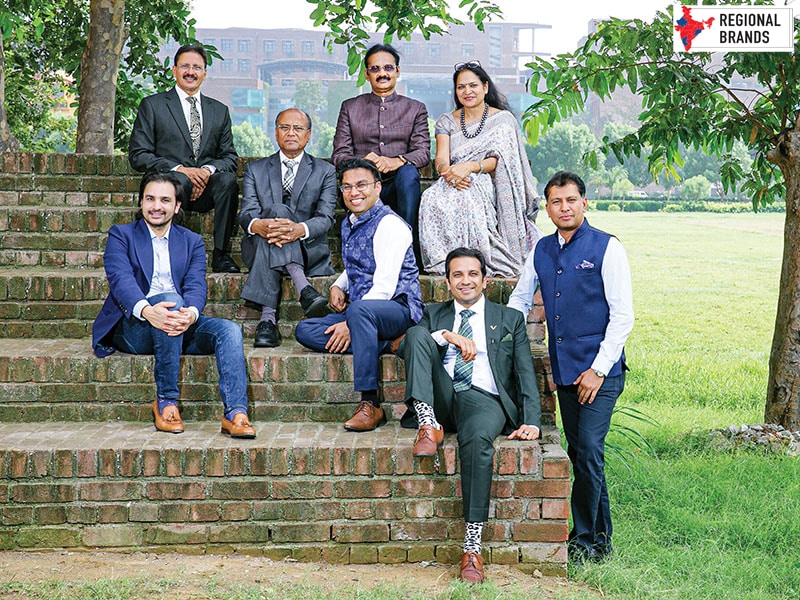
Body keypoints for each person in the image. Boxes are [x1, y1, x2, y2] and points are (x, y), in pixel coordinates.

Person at [507, 171, 634, 564]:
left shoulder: (606, 247)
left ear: (584, 203)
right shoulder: (541, 249)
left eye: (571, 200)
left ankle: (583, 541)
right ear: (547, 208)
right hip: (565, 373)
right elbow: (520, 297)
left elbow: (623, 317)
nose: (564, 207)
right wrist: (497, 333)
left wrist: (597, 369)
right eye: (555, 202)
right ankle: (602, 538)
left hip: (601, 373)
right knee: (582, 453)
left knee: (590, 450)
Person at [397, 247, 541, 584]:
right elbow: (406, 348)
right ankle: (427, 423)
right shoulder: (433, 314)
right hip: (442, 398)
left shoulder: (509, 319)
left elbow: (524, 374)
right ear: (447, 282)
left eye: (472, 274)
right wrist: (447, 336)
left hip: (484, 400)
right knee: (416, 334)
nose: (465, 281)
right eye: (457, 275)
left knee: (477, 441)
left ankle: (472, 545)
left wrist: (531, 420)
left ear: (485, 280)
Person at [91, 172, 256, 439]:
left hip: (176, 321)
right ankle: (166, 401)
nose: (157, 206)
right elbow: (121, 281)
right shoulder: (121, 235)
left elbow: (195, 285)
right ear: (141, 203)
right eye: (150, 199)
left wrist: (190, 315)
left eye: (165, 200)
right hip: (135, 326)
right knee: (170, 302)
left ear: (177, 206)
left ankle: (235, 414)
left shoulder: (191, 241)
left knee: (229, 330)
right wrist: (147, 311)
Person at [295, 158, 424, 432]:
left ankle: (371, 402)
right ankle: (389, 343)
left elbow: (386, 286)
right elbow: (358, 263)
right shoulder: (350, 222)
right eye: (347, 187)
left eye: (361, 185)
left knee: (358, 312)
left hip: (397, 309)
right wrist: (338, 285)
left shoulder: (391, 225)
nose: (354, 192)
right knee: (305, 330)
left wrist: (351, 322)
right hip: (366, 316)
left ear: (378, 187)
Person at [419, 60, 539, 277]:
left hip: (486, 178)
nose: (467, 91)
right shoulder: (447, 121)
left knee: (468, 197)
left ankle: (478, 259)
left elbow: (502, 160)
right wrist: (449, 173)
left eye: (473, 85)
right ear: (455, 92)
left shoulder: (503, 121)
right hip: (452, 178)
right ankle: (444, 261)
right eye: (461, 87)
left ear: (485, 87)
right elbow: (441, 159)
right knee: (430, 197)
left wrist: (471, 167)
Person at [129, 44, 241, 274]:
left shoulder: (219, 110)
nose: (191, 72)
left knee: (228, 181)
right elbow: (138, 155)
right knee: (179, 180)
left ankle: (221, 254)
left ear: (204, 73)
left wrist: (207, 171)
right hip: (168, 185)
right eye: (185, 66)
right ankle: (169, 254)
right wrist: (181, 170)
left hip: (205, 189)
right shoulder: (153, 105)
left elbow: (229, 156)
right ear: (174, 70)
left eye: (197, 67)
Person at [238, 108, 337, 348]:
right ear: (276, 132)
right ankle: (304, 289)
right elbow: (246, 213)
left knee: (278, 212)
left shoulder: (326, 171)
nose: (291, 133)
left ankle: (267, 320)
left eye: (297, 128)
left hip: (307, 249)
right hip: (261, 241)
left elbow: (326, 218)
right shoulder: (256, 169)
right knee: (277, 212)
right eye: (285, 127)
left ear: (308, 135)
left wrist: (299, 229)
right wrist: (257, 225)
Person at [332, 43, 430, 253]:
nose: (382, 73)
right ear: (367, 74)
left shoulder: (415, 108)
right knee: (357, 179)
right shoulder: (350, 107)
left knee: (408, 173)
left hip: (398, 187)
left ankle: (408, 249)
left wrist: (397, 161)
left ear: (397, 71)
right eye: (375, 69)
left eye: (388, 68)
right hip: (361, 186)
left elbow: (423, 152)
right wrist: (362, 163)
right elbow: (340, 154)